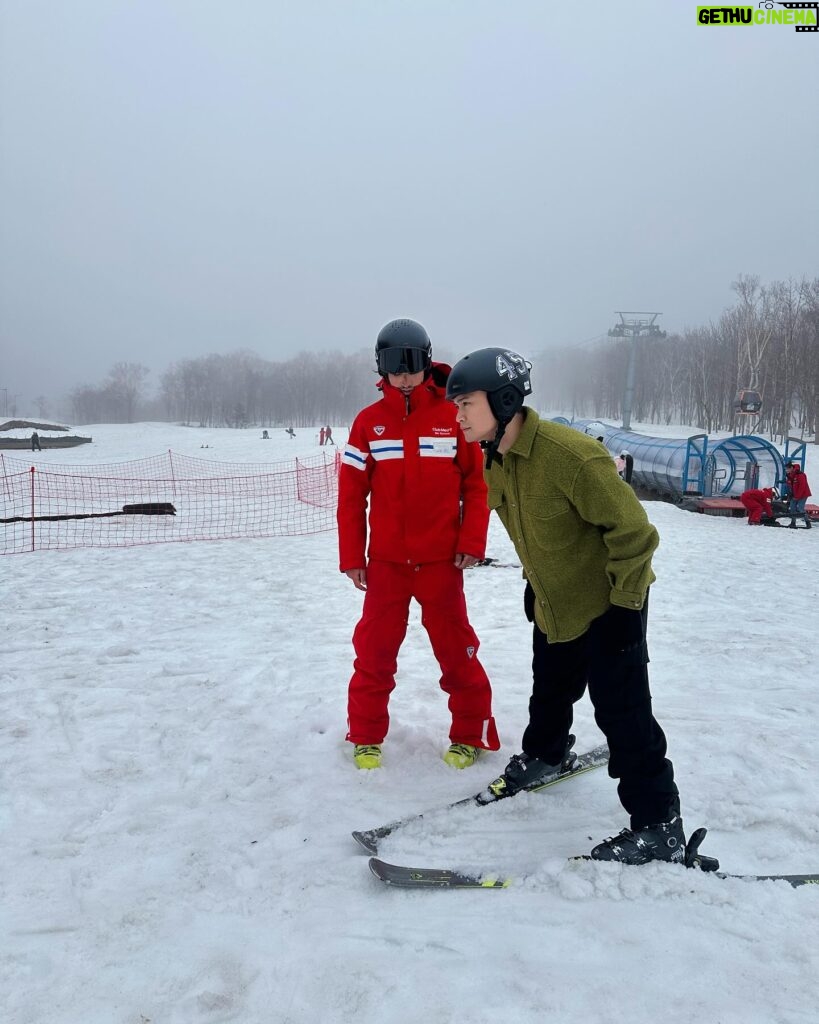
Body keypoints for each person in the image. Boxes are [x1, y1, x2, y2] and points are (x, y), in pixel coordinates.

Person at [446, 347, 685, 866]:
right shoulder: (496, 460)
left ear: (504, 401)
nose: (458, 415)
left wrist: (624, 607)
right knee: (550, 687)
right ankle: (546, 756)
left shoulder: (572, 457)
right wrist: (537, 582)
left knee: (623, 713)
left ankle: (658, 823)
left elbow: (636, 534)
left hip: (609, 604)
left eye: (466, 403)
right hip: (556, 601)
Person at [337, 318, 500, 771]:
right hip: (386, 563)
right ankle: (366, 735)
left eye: (412, 365)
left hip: (441, 562)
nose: (404, 376)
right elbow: (351, 497)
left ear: (427, 363)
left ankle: (470, 733)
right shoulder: (368, 424)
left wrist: (472, 540)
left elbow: (477, 484)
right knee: (373, 653)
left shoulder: (454, 418)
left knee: (457, 652)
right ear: (381, 368)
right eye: (394, 367)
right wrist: (353, 557)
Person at [785, 462, 812, 529]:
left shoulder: (800, 475)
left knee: (800, 508)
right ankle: (793, 523)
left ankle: (808, 522)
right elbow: (790, 486)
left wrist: (797, 497)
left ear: (791, 468)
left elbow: (802, 487)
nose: (786, 470)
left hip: (803, 494)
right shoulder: (789, 475)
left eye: (787, 469)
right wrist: (790, 495)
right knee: (792, 508)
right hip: (794, 495)